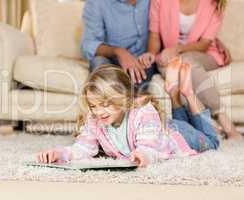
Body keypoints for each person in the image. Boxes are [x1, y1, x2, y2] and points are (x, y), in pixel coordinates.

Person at [37, 63, 219, 167]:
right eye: (93, 105)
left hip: (178, 136)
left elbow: (149, 149)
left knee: (212, 141)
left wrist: (143, 156)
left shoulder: (144, 112)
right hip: (161, 127)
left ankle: (187, 93)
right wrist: (58, 153)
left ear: (124, 98)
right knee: (178, 122)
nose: (98, 111)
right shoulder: (95, 119)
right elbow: (82, 148)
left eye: (105, 104)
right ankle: (173, 93)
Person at [138, 0, 242, 139]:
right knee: (178, 71)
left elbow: (204, 44)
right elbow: (154, 35)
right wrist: (151, 54)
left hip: (204, 54)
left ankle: (223, 119)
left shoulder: (215, 3)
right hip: (168, 56)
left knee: (185, 62)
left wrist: (178, 49)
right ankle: (206, 125)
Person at [81, 0, 157, 90]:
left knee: (146, 67)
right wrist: (118, 51)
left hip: (143, 60)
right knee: (98, 62)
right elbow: (88, 44)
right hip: (113, 61)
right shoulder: (96, 3)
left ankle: (129, 98)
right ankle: (116, 98)